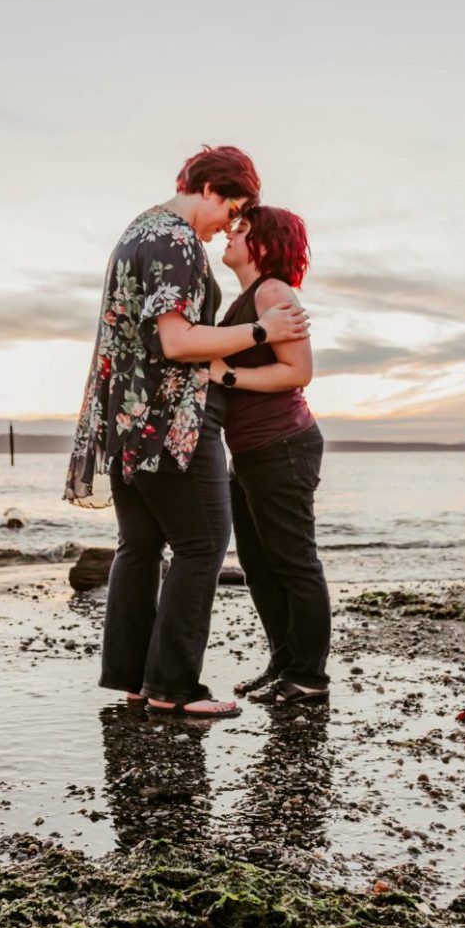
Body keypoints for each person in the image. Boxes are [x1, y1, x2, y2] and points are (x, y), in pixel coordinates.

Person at [65, 146, 309, 719]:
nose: (230, 223)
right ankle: (175, 688)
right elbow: (177, 342)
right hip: (173, 418)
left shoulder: (137, 231)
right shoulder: (175, 240)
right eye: (234, 209)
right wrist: (260, 330)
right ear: (212, 190)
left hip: (127, 417)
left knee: (141, 547)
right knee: (201, 546)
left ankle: (135, 680)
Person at [211, 205, 331, 705]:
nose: (230, 234)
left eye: (241, 229)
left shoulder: (273, 291)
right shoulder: (248, 297)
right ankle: (284, 664)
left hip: (282, 444)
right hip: (252, 450)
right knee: (259, 565)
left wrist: (226, 374)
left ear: (263, 242)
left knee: (293, 561)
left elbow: (298, 371)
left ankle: (309, 678)